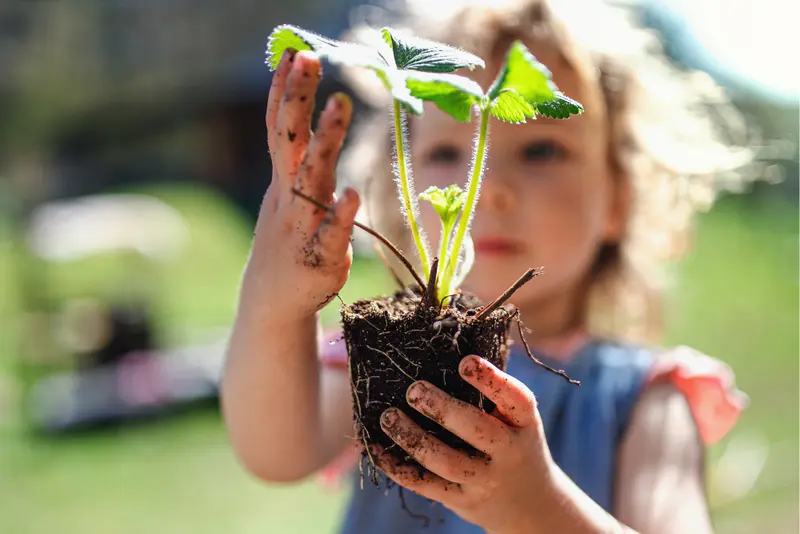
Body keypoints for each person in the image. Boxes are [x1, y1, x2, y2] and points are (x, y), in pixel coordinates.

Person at [221, 0, 754, 532]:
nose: (490, 187)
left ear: (618, 198)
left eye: (542, 150)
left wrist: (537, 506)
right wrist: (275, 305)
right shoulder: (380, 353)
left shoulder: (649, 399)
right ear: (399, 184)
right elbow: (275, 452)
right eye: (448, 153)